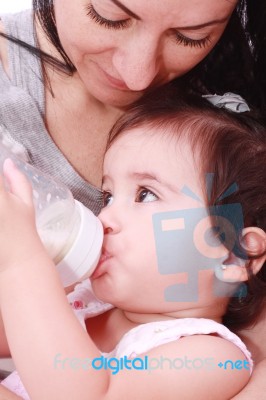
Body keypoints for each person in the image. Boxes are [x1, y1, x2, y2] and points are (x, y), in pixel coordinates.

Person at [0, 0, 265, 397]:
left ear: (232, 255)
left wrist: (22, 262)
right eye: (107, 195)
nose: (105, 216)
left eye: (145, 194)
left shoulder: (210, 356)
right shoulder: (91, 302)